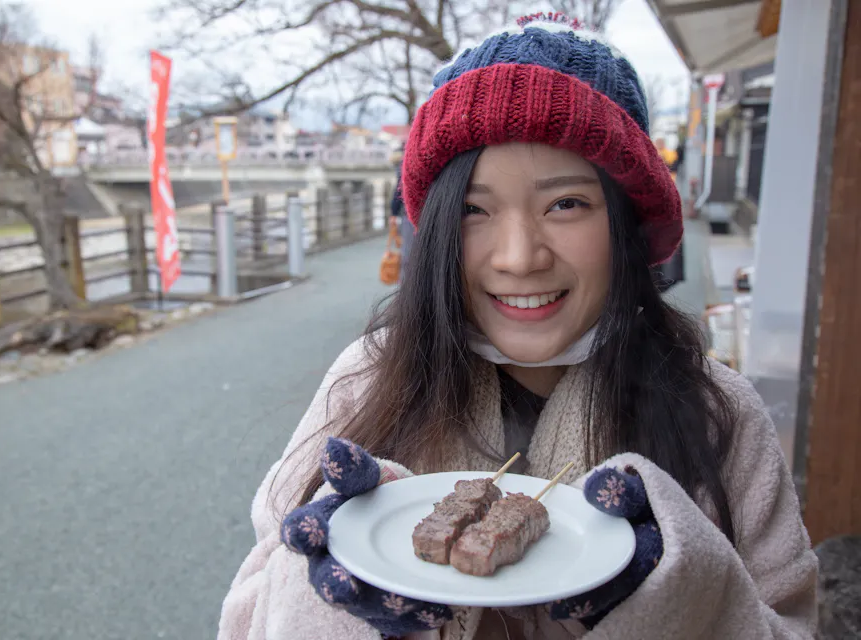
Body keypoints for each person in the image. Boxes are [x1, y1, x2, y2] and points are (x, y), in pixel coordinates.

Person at [218, 13, 817, 640]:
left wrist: (695, 602)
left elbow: (795, 621)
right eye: (475, 209)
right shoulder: (364, 383)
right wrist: (332, 596)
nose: (518, 256)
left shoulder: (718, 411)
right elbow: (246, 618)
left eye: (566, 203)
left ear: (627, 223)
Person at [389, 148, 415, 282]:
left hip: (410, 213)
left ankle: (406, 291)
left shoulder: (409, 156)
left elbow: (400, 188)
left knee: (408, 254)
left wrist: (393, 212)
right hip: (425, 212)